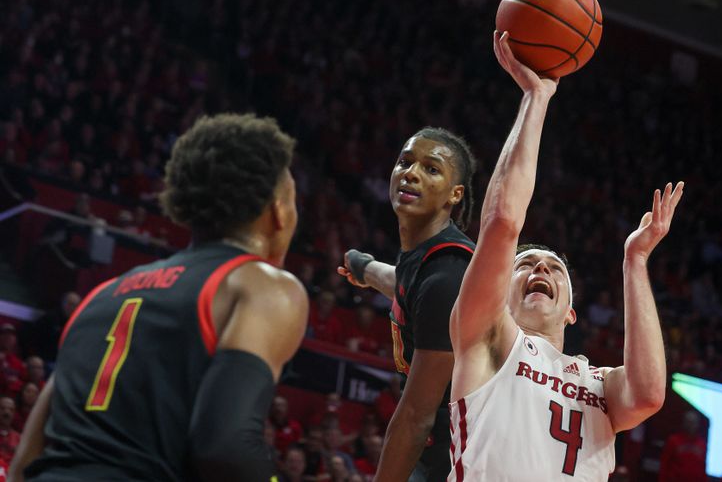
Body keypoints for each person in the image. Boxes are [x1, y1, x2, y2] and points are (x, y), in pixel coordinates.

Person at [9, 113, 309, 482]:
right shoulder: (261, 285)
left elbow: (25, 460)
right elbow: (224, 450)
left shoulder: (101, 296)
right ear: (278, 210)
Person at [447, 31, 685, 480]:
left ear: (571, 312)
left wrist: (635, 261)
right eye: (525, 264)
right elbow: (502, 222)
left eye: (554, 268)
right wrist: (537, 97)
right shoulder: (487, 339)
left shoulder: (599, 383)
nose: (540, 267)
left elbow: (650, 394)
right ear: (501, 291)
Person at [338, 117, 477, 479]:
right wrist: (364, 268)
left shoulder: (448, 273)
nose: (411, 173)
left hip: (462, 456)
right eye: (405, 162)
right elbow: (405, 284)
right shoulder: (428, 257)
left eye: (431, 169)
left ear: (455, 194)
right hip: (443, 447)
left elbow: (417, 414)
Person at [658, 411, 708, 482]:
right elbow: (664, 465)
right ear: (684, 423)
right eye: (688, 422)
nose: (690, 425)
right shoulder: (673, 440)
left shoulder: (702, 444)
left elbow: (703, 468)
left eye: (693, 422)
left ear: (697, 424)